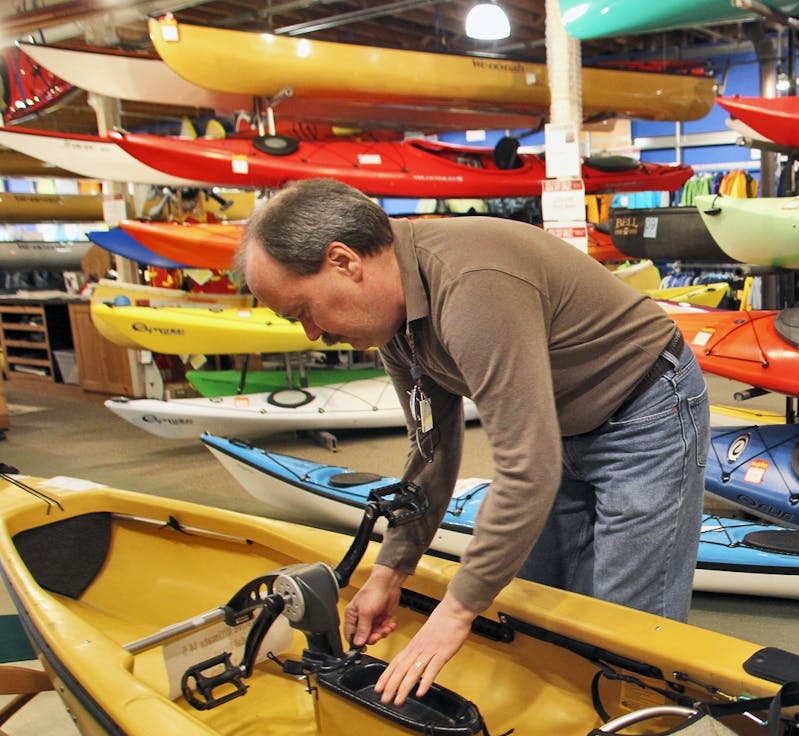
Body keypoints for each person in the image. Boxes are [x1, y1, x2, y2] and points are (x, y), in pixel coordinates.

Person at [233, 178, 709, 706]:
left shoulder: (471, 286)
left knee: (628, 629)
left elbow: (527, 469)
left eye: (302, 311)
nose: (311, 336)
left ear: (344, 261)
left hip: (642, 409)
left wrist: (457, 610)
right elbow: (431, 449)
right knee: (541, 604)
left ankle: (651, 735)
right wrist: (392, 569)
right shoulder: (398, 323)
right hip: (557, 421)